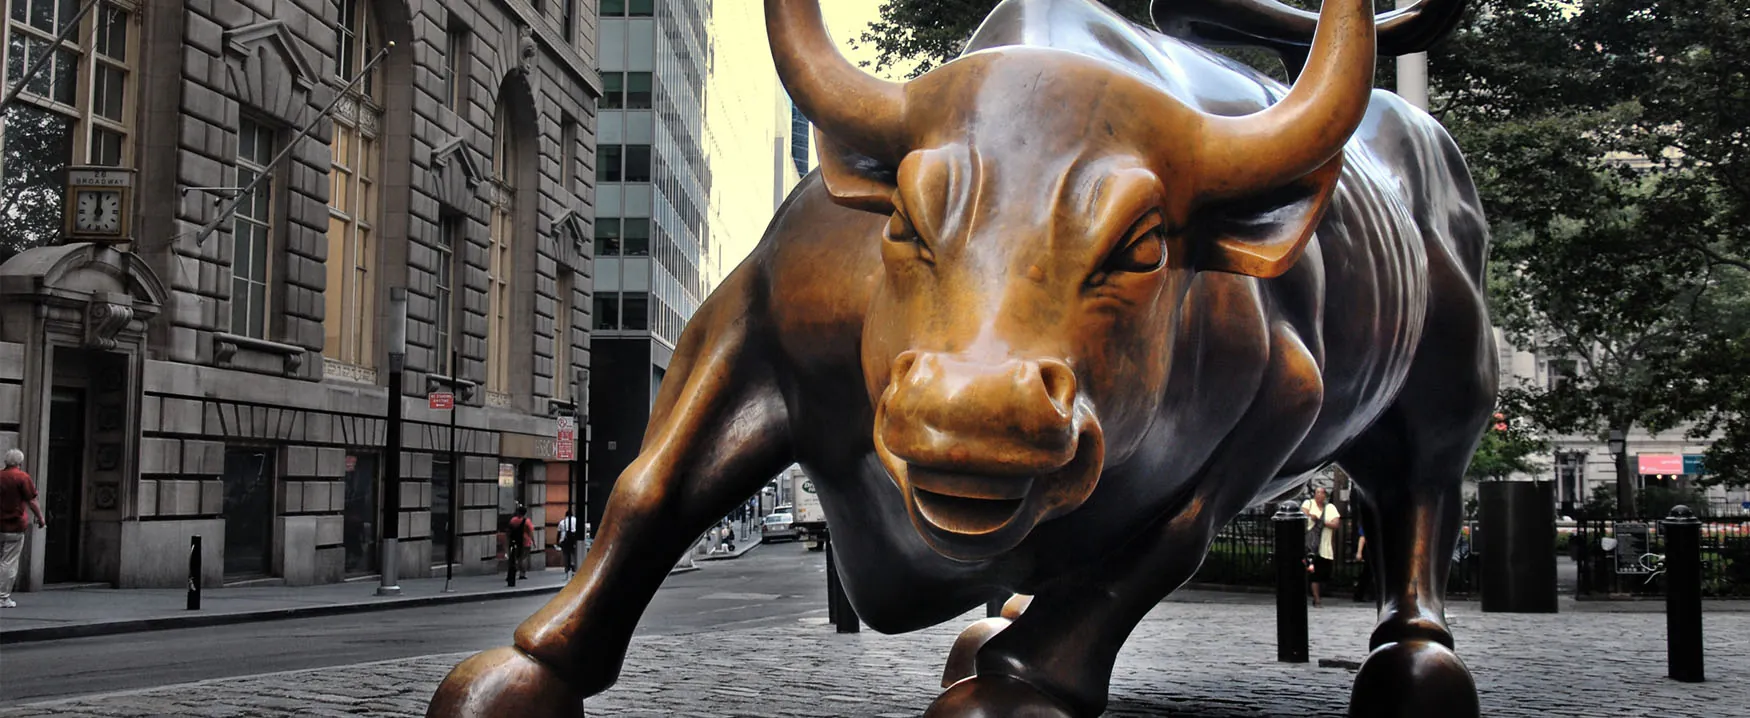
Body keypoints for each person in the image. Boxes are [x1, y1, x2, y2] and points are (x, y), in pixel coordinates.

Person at [0, 449, 46, 609]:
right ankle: (2, 597)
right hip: (14, 526)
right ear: (20, 462)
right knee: (9, 562)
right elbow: (32, 500)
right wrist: (40, 519)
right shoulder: (22, 477)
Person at [1301, 487, 1341, 608]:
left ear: (1325, 496)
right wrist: (1311, 516)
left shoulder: (1330, 508)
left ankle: (1317, 594)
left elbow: (1336, 523)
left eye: (1322, 493)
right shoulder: (1308, 503)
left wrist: (1322, 521)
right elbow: (1303, 514)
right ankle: (1316, 599)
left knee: (1324, 574)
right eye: (1317, 492)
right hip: (1311, 546)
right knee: (1314, 573)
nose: (1319, 495)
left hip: (1325, 547)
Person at [506, 506, 534, 582]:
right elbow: (531, 532)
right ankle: (522, 574)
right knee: (523, 558)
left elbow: (509, 531)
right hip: (525, 541)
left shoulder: (513, 520)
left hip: (515, 541)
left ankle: (513, 571)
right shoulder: (527, 521)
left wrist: (508, 539)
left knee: (515, 557)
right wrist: (533, 541)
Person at [1352, 522, 1374, 603]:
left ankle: (1362, 594)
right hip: (1370, 550)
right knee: (1368, 573)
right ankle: (1361, 594)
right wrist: (1359, 552)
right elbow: (1362, 538)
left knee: (1368, 573)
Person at [556, 510, 579, 577]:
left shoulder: (562, 522)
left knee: (566, 554)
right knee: (573, 553)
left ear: (566, 515)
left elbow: (559, 533)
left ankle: (567, 568)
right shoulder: (576, 520)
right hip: (574, 540)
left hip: (564, 540)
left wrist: (557, 542)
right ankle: (574, 565)